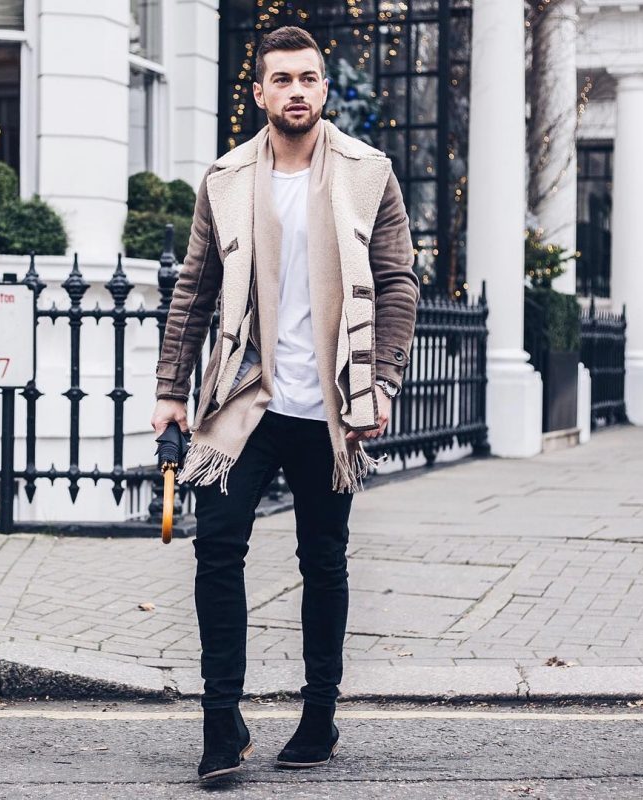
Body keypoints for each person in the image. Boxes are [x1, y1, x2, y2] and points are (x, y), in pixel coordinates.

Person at [150, 24, 420, 782]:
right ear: (261, 91)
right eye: (282, 79)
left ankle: (320, 716)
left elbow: (398, 284)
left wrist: (384, 382)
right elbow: (195, 291)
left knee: (323, 562)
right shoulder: (228, 178)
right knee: (215, 547)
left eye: (309, 78)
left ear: (323, 89)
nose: (296, 91)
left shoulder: (370, 173)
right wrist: (172, 392)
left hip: (330, 407)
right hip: (246, 398)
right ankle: (219, 719)